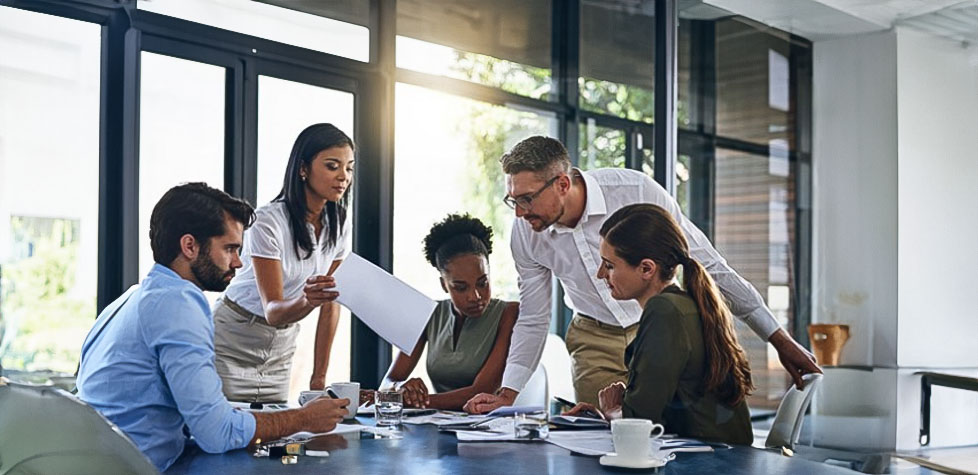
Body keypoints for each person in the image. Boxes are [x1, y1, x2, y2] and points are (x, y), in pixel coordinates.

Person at [464, 136, 820, 413]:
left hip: (655, 331)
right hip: (593, 338)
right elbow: (534, 317)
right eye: (513, 200)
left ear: (561, 184)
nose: (520, 212)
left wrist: (779, 340)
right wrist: (507, 394)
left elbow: (709, 265)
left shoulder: (635, 192)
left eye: (526, 199)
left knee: (666, 437)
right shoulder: (526, 233)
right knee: (603, 440)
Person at [76, 183, 349, 472]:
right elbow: (216, 433)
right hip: (142, 467)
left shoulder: (131, 298)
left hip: (104, 458)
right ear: (190, 246)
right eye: (230, 248)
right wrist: (303, 419)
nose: (238, 262)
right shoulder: (179, 304)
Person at [565, 203, 753, 444]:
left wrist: (613, 410)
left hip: (705, 462)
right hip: (722, 455)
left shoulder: (664, 311)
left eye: (610, 265)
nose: (601, 274)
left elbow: (641, 422)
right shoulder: (684, 304)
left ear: (646, 269)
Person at [213, 123, 354, 402]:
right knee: (227, 436)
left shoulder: (339, 221)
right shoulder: (268, 221)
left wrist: (319, 378)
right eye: (332, 166)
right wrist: (309, 300)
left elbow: (331, 303)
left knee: (275, 435)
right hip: (233, 339)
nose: (343, 177)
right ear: (303, 169)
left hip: (281, 346)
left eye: (349, 168)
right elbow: (273, 310)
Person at [380, 214, 519, 410]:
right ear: (444, 285)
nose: (476, 296)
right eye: (461, 287)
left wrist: (415, 401)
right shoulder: (428, 314)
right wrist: (401, 388)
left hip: (493, 429)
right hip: (441, 426)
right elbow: (389, 382)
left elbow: (481, 391)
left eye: (482, 283)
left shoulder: (509, 314)